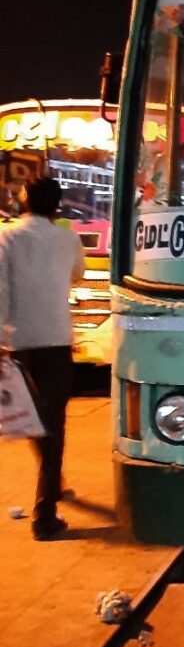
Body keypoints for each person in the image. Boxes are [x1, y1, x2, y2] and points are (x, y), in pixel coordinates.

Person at [0, 177, 85, 540]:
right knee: (52, 424)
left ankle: (50, 484)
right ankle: (45, 511)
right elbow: (77, 275)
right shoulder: (69, 237)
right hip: (56, 339)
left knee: (31, 417)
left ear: (24, 199)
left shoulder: (6, 237)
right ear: (57, 205)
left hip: (17, 341)